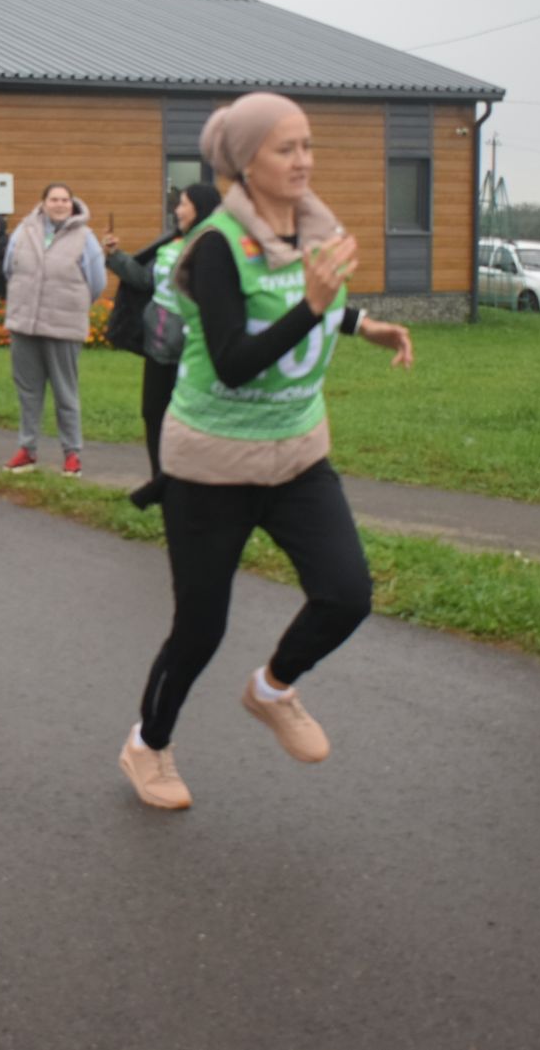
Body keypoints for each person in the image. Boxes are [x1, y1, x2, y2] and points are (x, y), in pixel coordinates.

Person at [119, 93, 414, 811]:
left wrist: (358, 322)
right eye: (286, 148)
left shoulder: (307, 226)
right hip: (211, 462)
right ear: (245, 163)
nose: (304, 160)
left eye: (307, 145)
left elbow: (295, 288)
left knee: (346, 593)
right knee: (200, 628)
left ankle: (273, 686)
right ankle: (148, 744)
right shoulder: (216, 244)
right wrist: (313, 308)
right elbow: (232, 358)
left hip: (297, 453)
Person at [104, 184, 223, 507]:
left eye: (183, 204)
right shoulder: (172, 241)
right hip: (158, 343)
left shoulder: (214, 246)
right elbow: (145, 281)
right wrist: (116, 257)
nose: (177, 209)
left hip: (192, 348)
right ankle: (161, 481)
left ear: (200, 207)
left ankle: (196, 485)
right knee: (153, 412)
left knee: (190, 418)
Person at [2, 183, 106, 477]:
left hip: (63, 326)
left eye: (65, 200)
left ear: (72, 204)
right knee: (28, 391)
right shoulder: (25, 230)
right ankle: (27, 449)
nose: (60, 204)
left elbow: (96, 282)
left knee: (66, 393)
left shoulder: (85, 238)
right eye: (54, 199)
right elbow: (10, 269)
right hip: (25, 324)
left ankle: (72, 454)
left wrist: (73, 304)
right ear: (43, 202)